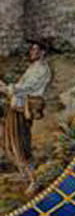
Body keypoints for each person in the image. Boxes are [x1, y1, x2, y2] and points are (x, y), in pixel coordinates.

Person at [0, 41, 52, 193]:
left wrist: (5, 88)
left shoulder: (42, 70)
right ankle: (24, 175)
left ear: (43, 52)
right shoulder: (34, 67)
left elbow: (27, 88)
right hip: (16, 108)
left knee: (20, 145)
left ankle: (33, 180)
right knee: (9, 143)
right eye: (31, 49)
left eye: (35, 49)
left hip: (23, 111)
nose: (32, 52)